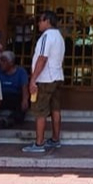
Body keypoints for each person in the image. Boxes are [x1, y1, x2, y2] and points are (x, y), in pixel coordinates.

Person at [23, 10, 67, 152]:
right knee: (55, 109)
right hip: (57, 76)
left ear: (47, 21)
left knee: (40, 110)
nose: (38, 24)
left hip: (45, 78)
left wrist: (33, 79)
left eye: (40, 20)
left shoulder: (46, 37)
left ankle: (39, 143)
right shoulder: (59, 36)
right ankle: (55, 139)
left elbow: (42, 58)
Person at [0, 50, 29, 127]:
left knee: (23, 105)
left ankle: (9, 120)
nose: (1, 63)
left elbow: (24, 87)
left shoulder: (21, 71)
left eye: (4, 61)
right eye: (1, 61)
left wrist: (25, 100)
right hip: (0, 97)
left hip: (15, 96)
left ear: (11, 63)